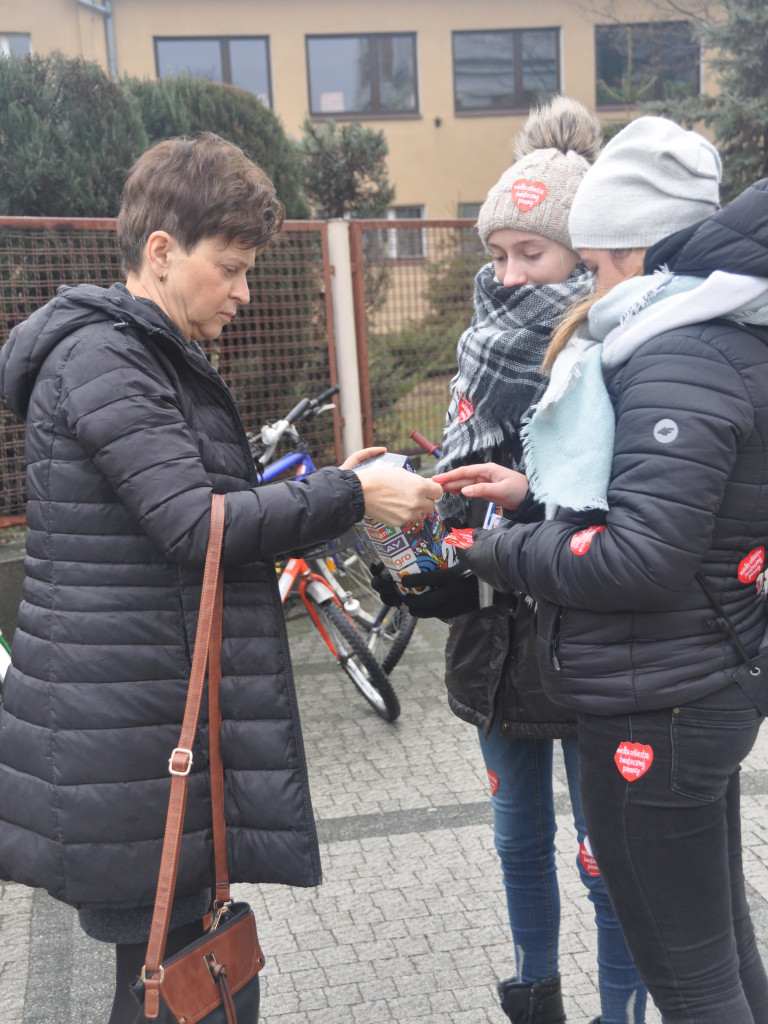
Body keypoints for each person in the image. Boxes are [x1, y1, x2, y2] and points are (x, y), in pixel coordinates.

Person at [0, 132, 441, 1024]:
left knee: (183, 974)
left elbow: (197, 506)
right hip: (127, 739)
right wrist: (351, 493)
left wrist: (334, 493)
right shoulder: (105, 358)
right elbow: (193, 525)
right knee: (169, 984)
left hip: (139, 725)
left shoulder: (144, 352)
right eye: (232, 268)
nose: (244, 292)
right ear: (160, 253)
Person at [437, 117, 768, 1024]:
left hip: (654, 704)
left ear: (641, 249)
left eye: (590, 265)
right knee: (723, 952)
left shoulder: (675, 356)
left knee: (693, 982)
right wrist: (535, 496)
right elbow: (664, 516)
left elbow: (641, 555)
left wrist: (497, 547)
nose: (585, 287)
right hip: (691, 681)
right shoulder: (718, 337)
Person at [377, 96, 646, 1024]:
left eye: (531, 253)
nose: (511, 273)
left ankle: (621, 1012)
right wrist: (422, 501)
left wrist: (526, 499)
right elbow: (462, 472)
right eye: (498, 254)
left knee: (606, 856)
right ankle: (536, 997)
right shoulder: (474, 348)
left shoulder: (619, 342)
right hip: (495, 629)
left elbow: (638, 505)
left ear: (583, 252)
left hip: (587, 636)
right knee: (515, 837)